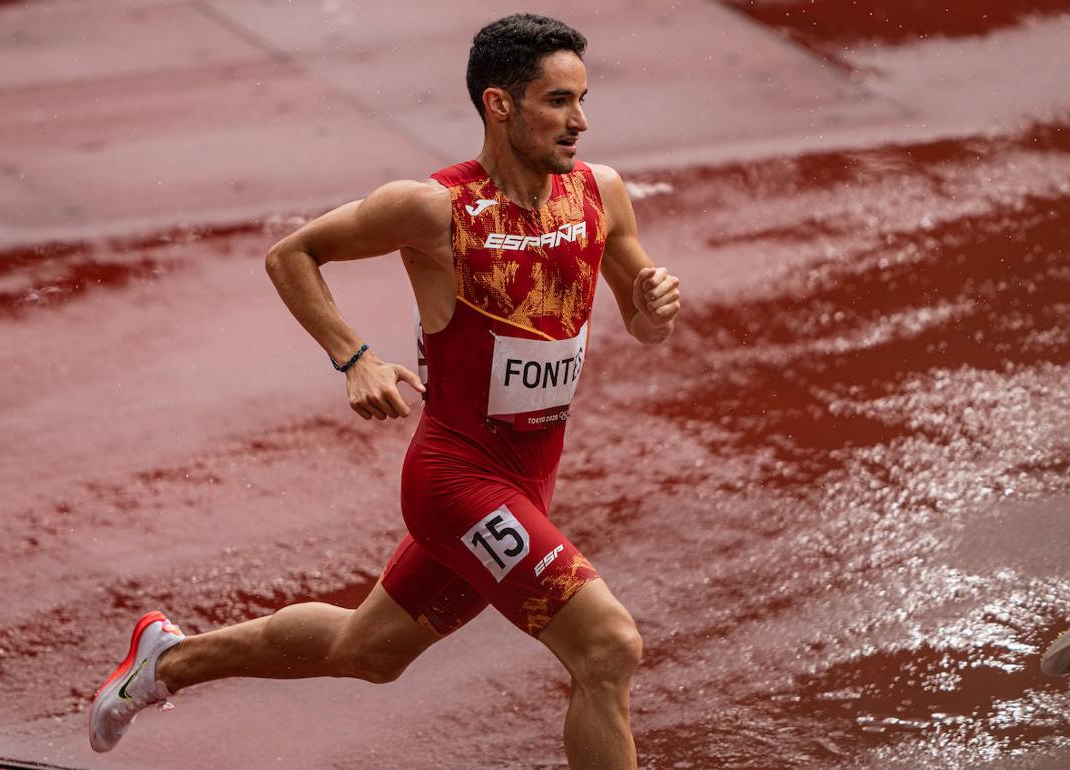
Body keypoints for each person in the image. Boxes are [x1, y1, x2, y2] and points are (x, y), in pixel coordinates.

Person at [89, 13, 680, 769]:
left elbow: (643, 320)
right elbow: (292, 255)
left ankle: (166, 662)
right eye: (559, 102)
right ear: (500, 105)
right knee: (606, 647)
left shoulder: (599, 193)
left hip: (529, 482)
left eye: (582, 99)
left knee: (368, 650)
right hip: (456, 480)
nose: (581, 122)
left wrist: (653, 309)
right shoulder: (436, 209)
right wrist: (354, 357)